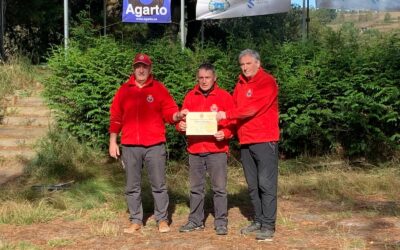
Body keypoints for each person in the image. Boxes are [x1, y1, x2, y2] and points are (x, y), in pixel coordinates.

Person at [109, 53, 182, 234]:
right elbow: (116, 117)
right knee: (132, 186)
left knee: (158, 184)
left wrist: (177, 116)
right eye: (137, 66)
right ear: (133, 69)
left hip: (155, 145)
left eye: (144, 66)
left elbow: (170, 111)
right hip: (130, 145)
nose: (141, 70)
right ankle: (135, 220)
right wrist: (113, 141)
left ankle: (162, 219)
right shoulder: (124, 90)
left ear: (150, 69)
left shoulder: (159, 88)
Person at [216, 49, 279, 241]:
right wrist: (226, 131)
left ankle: (268, 225)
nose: (245, 68)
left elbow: (251, 109)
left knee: (266, 183)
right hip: (246, 141)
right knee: (253, 185)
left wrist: (226, 115)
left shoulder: (267, 82)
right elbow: (236, 112)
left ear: (258, 63)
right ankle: (258, 220)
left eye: (248, 64)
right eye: (242, 64)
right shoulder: (240, 84)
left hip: (264, 140)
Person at [176, 63, 235, 235]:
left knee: (219, 188)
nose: (204, 81)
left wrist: (225, 133)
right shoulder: (190, 96)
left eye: (207, 77)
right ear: (197, 78)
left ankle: (221, 222)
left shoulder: (224, 96)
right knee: (196, 188)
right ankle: (195, 221)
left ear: (214, 78)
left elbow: (233, 122)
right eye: (201, 77)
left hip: (217, 149)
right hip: (195, 149)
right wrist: (180, 125)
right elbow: (181, 123)